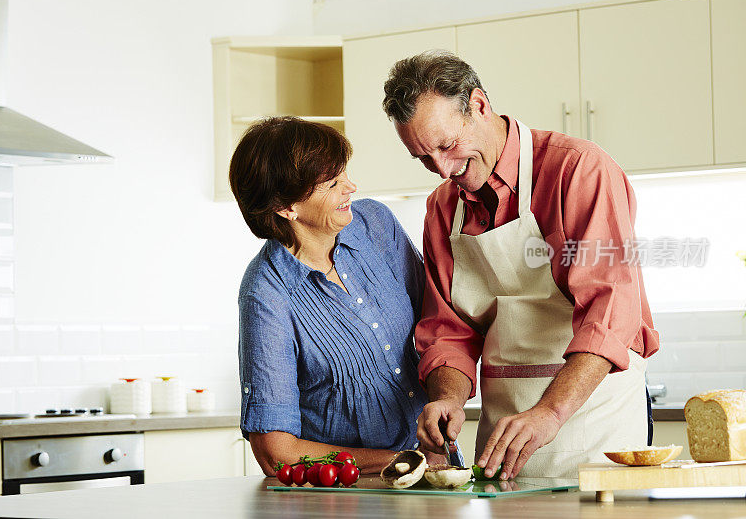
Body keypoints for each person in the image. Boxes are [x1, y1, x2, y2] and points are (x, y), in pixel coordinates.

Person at [382, 51, 660, 480]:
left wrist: (550, 411)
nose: (442, 169)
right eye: (424, 158)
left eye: (447, 145)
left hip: (592, 418)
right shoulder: (442, 208)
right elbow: (449, 332)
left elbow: (610, 310)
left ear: (478, 105)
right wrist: (448, 400)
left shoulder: (578, 171)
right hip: (503, 434)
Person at [230, 116, 438, 475]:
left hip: (429, 474)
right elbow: (275, 452)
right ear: (286, 207)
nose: (351, 187)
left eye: (344, 174)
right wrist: (398, 461)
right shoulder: (266, 293)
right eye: (332, 184)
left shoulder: (374, 223)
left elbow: (437, 325)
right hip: (343, 496)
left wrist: (446, 398)